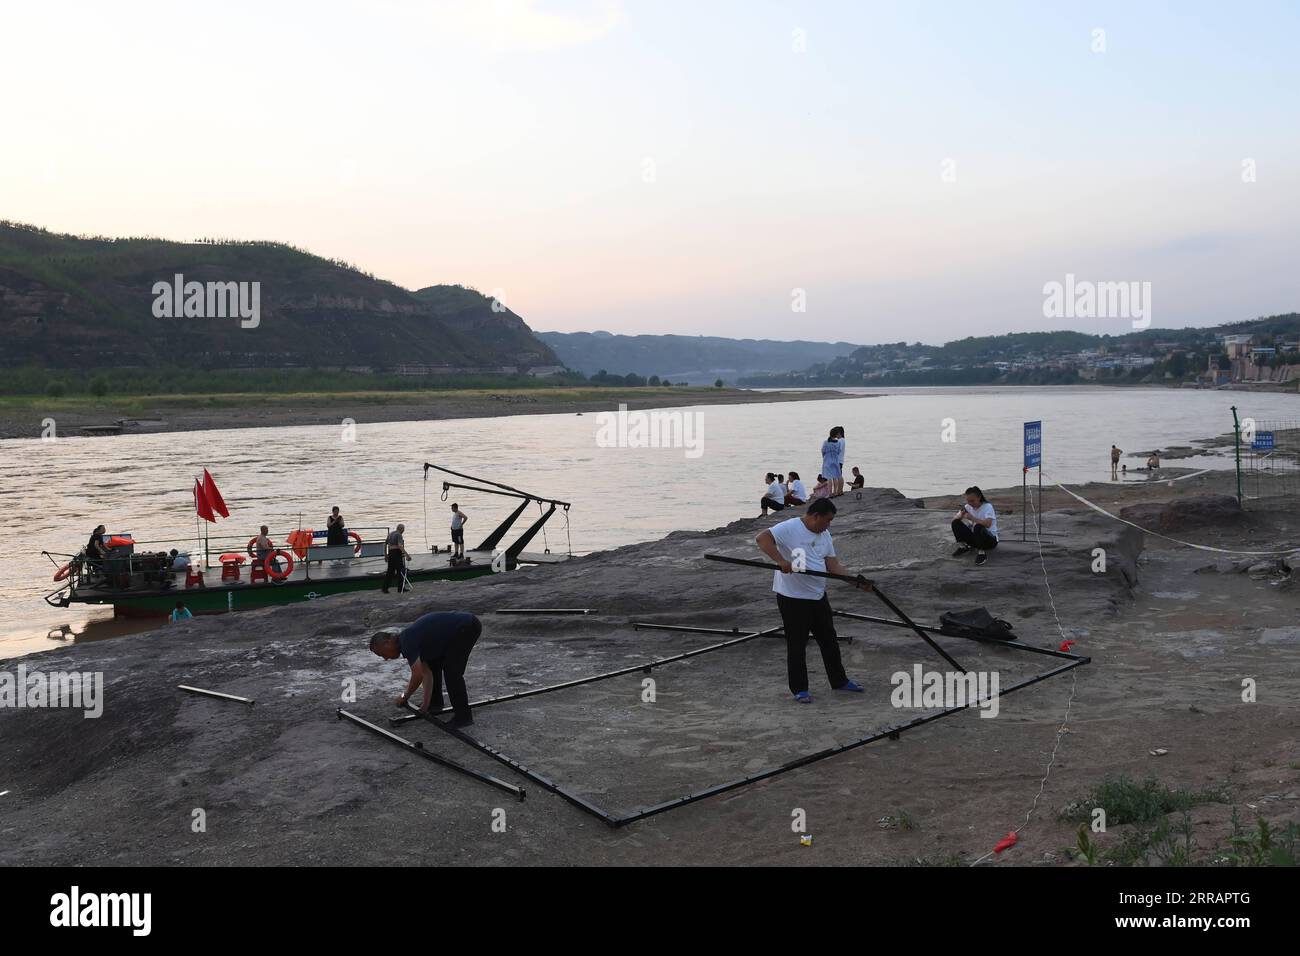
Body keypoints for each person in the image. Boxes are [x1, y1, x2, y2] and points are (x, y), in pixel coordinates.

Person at [756, 497, 867, 703]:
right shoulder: (790, 527)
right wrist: (781, 561)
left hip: (817, 596)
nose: (829, 524)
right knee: (797, 644)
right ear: (815, 516)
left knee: (829, 641)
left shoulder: (824, 534)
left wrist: (857, 582)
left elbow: (833, 567)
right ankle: (800, 689)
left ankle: (839, 681)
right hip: (793, 599)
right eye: (828, 520)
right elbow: (762, 538)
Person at [369, 611, 482, 727]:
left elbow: (417, 676)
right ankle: (435, 703)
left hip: (467, 627)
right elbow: (426, 673)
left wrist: (404, 696)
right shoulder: (408, 640)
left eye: (382, 654)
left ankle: (463, 717)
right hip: (456, 632)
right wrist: (425, 704)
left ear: (387, 643)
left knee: (452, 673)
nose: (385, 658)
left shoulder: (407, 641)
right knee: (433, 664)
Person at [951, 486, 998, 566]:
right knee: (955, 522)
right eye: (968, 501)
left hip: (989, 541)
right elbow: (954, 520)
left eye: (972, 501)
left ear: (979, 497)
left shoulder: (987, 507)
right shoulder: (967, 506)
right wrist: (960, 516)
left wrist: (972, 518)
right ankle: (964, 546)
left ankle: (981, 553)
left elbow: (988, 524)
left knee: (978, 526)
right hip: (976, 539)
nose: (970, 503)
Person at [382, 523, 410, 593]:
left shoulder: (390, 534)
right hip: (396, 554)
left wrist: (385, 555)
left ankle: (385, 588)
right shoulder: (399, 535)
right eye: (403, 529)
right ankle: (400, 588)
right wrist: (407, 555)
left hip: (390, 553)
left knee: (390, 572)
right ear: (401, 529)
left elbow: (385, 545)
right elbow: (400, 546)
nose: (403, 531)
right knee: (401, 571)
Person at [821, 426, 846, 497]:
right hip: (835, 461)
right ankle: (835, 492)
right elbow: (838, 451)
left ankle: (830, 493)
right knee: (836, 476)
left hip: (828, 461)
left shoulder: (826, 442)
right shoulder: (838, 443)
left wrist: (824, 457)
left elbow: (823, 451)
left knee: (829, 478)